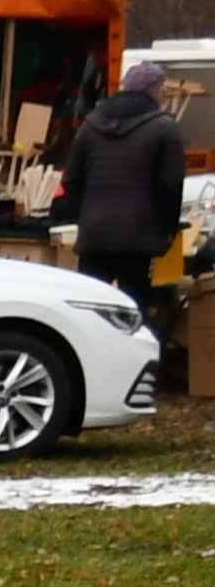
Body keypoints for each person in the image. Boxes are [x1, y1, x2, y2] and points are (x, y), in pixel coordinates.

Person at [48, 60, 188, 401]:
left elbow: (71, 181)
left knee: (89, 307)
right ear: (155, 90)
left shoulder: (90, 127)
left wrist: (83, 218)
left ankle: (84, 379)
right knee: (133, 309)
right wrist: (167, 231)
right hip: (139, 238)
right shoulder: (164, 130)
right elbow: (170, 187)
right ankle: (130, 383)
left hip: (94, 234)